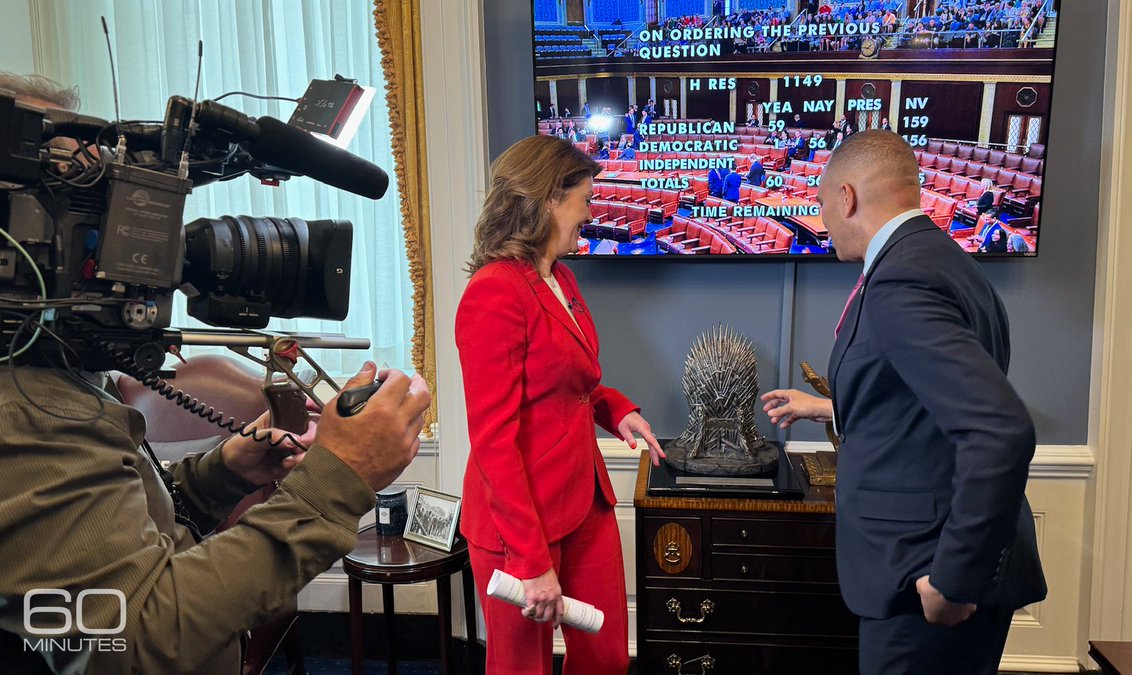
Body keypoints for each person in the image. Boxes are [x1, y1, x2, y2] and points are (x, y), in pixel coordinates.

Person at [0, 73, 432, 675]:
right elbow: (138, 637)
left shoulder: (53, 368)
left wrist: (220, 475)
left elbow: (109, 539)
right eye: (77, 202)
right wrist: (340, 478)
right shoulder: (27, 408)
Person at [759, 130, 1045, 675]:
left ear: (846, 197)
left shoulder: (901, 280)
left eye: (821, 205)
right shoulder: (947, 261)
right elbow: (926, 404)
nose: (820, 221)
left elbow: (1000, 429)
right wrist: (827, 408)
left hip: (927, 574)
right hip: (939, 559)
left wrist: (954, 577)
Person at [456, 135, 666, 675]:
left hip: (583, 501)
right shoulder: (494, 291)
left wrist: (616, 408)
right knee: (521, 667)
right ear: (549, 197)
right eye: (586, 199)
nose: (590, 213)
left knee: (606, 657)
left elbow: (570, 381)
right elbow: (493, 439)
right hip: (518, 523)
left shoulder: (562, 278)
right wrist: (529, 560)